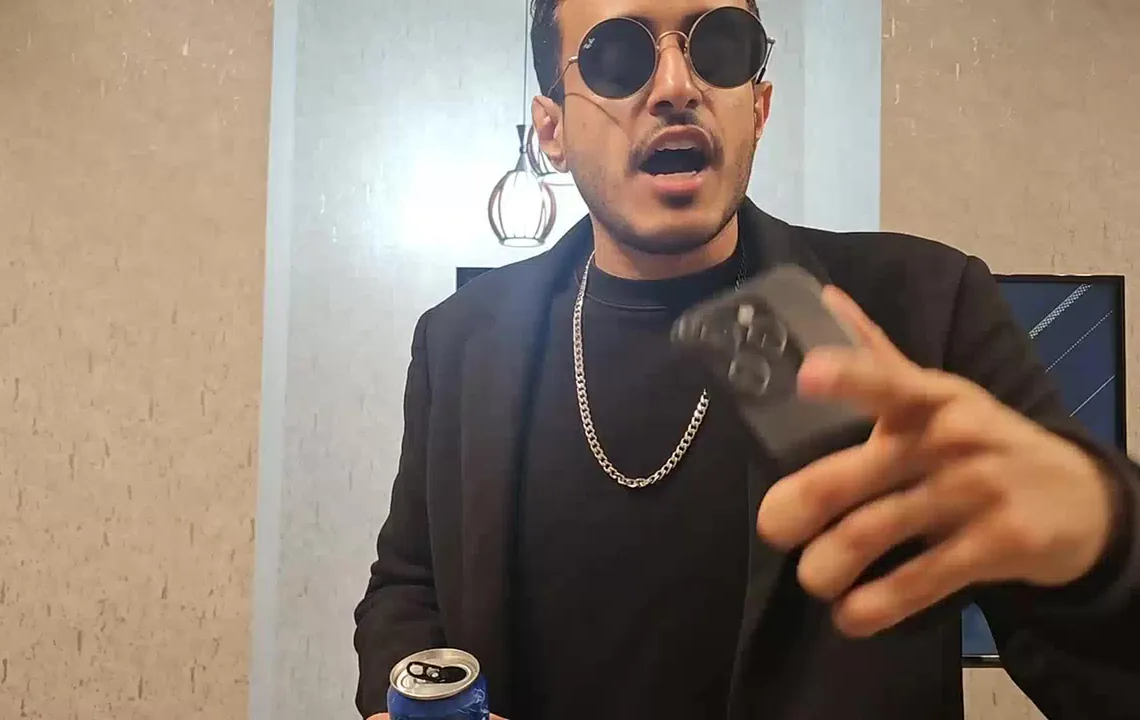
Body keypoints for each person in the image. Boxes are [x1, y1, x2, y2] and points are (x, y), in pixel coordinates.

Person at [354, 0, 1140, 718]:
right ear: (551, 130)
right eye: (618, 56)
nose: (676, 86)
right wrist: (412, 702)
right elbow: (408, 585)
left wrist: (1102, 540)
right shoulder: (462, 341)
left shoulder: (925, 310)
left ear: (757, 108)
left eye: (718, 46)